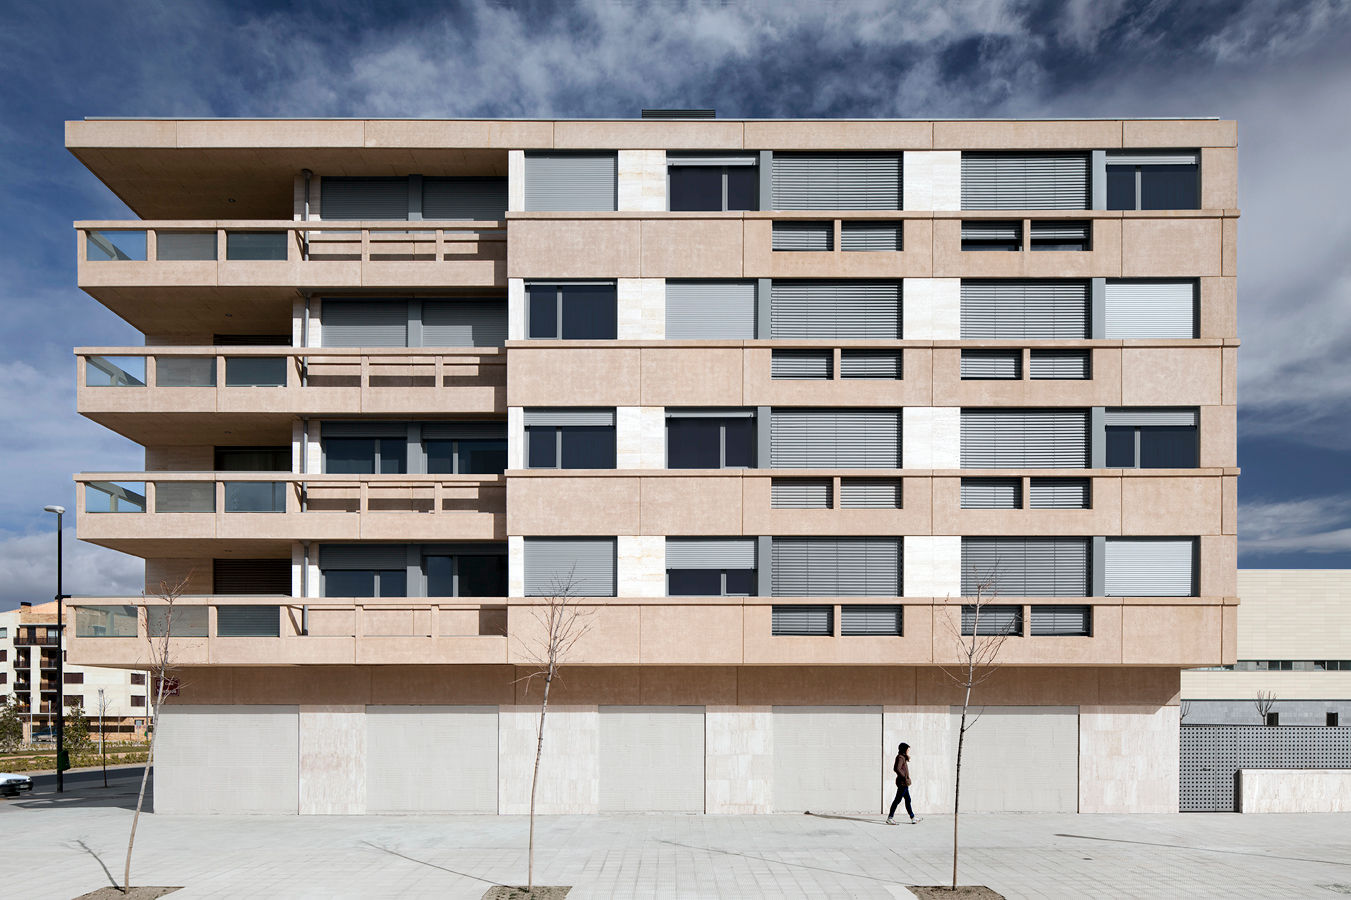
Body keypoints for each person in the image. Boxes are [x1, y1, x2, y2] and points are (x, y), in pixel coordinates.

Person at [886, 741, 917, 824]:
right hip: (902, 783)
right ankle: (890, 818)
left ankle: (913, 817)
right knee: (897, 800)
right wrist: (904, 777)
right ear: (904, 749)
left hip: (904, 783)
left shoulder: (903, 757)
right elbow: (897, 768)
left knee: (907, 800)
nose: (908, 751)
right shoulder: (900, 757)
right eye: (907, 749)